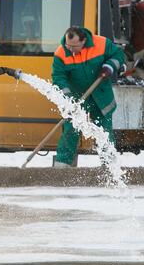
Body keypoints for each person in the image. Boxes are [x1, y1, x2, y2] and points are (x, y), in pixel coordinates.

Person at [51, 26, 126, 167]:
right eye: (68, 45)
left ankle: (109, 166)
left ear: (83, 40)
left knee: (104, 131)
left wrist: (109, 66)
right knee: (71, 129)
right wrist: (69, 98)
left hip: (101, 96)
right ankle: (62, 165)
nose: (70, 49)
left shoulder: (102, 43)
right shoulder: (61, 53)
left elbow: (119, 55)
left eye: (74, 46)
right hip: (76, 97)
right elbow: (58, 77)